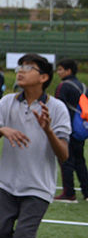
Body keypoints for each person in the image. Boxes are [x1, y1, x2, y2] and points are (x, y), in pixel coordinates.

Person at [0, 53, 69, 238]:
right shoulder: (6, 102)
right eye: (20, 67)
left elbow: (64, 155)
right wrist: (1, 130)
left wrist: (48, 130)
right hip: (6, 184)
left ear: (44, 78)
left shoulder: (57, 108)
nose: (21, 71)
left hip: (38, 188)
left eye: (29, 67)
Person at [52, 58, 88, 202]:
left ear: (68, 71)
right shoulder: (83, 86)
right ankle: (86, 192)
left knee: (66, 160)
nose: (58, 72)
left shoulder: (63, 86)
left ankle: (69, 192)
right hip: (81, 128)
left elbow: (59, 108)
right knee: (80, 161)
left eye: (60, 69)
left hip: (67, 128)